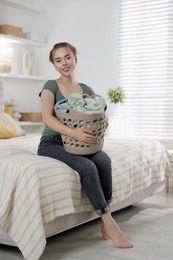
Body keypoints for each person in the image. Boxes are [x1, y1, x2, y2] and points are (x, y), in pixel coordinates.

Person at [37, 42, 133, 249]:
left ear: (75, 59)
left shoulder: (87, 90)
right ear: (54, 65)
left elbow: (97, 114)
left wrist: (103, 119)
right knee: (87, 167)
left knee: (104, 160)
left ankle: (106, 212)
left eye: (67, 57)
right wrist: (74, 133)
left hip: (82, 143)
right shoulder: (50, 86)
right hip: (53, 142)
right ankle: (107, 220)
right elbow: (46, 117)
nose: (64, 63)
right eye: (58, 60)